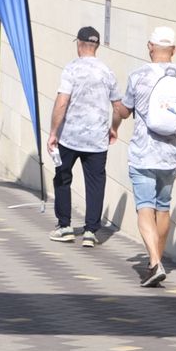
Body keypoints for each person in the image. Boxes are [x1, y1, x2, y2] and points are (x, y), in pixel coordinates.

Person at [111, 25, 176, 287]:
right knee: (163, 207)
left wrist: (114, 124)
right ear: (174, 50)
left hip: (143, 153)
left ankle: (154, 262)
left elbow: (125, 111)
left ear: (150, 46)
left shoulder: (138, 75)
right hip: (170, 156)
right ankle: (157, 260)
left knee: (144, 207)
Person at [46, 26, 123, 248]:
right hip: (97, 139)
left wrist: (53, 133)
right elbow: (118, 107)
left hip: (69, 136)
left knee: (62, 178)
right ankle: (90, 231)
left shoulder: (71, 69)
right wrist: (114, 127)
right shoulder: (107, 72)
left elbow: (62, 101)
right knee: (96, 183)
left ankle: (65, 226)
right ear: (96, 46)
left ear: (79, 44)